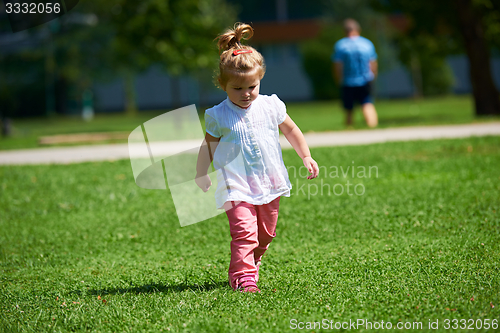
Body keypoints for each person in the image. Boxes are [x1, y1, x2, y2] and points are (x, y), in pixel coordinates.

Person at [195, 23, 319, 293]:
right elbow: (208, 146)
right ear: (223, 84)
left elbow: (291, 130)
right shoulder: (218, 115)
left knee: (265, 234)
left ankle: (254, 259)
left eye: (252, 86)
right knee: (245, 233)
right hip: (236, 185)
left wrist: (306, 156)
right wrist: (201, 172)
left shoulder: (271, 105)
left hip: (269, 180)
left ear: (260, 79)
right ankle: (243, 277)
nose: (246, 93)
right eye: (238, 88)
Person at [332, 19, 378, 128]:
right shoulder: (367, 43)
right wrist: (373, 76)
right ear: (358, 29)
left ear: (344, 31)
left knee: (348, 109)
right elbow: (373, 63)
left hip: (348, 81)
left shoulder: (341, 45)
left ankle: (349, 131)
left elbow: (338, 65)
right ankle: (372, 127)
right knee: (367, 104)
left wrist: (338, 79)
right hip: (366, 79)